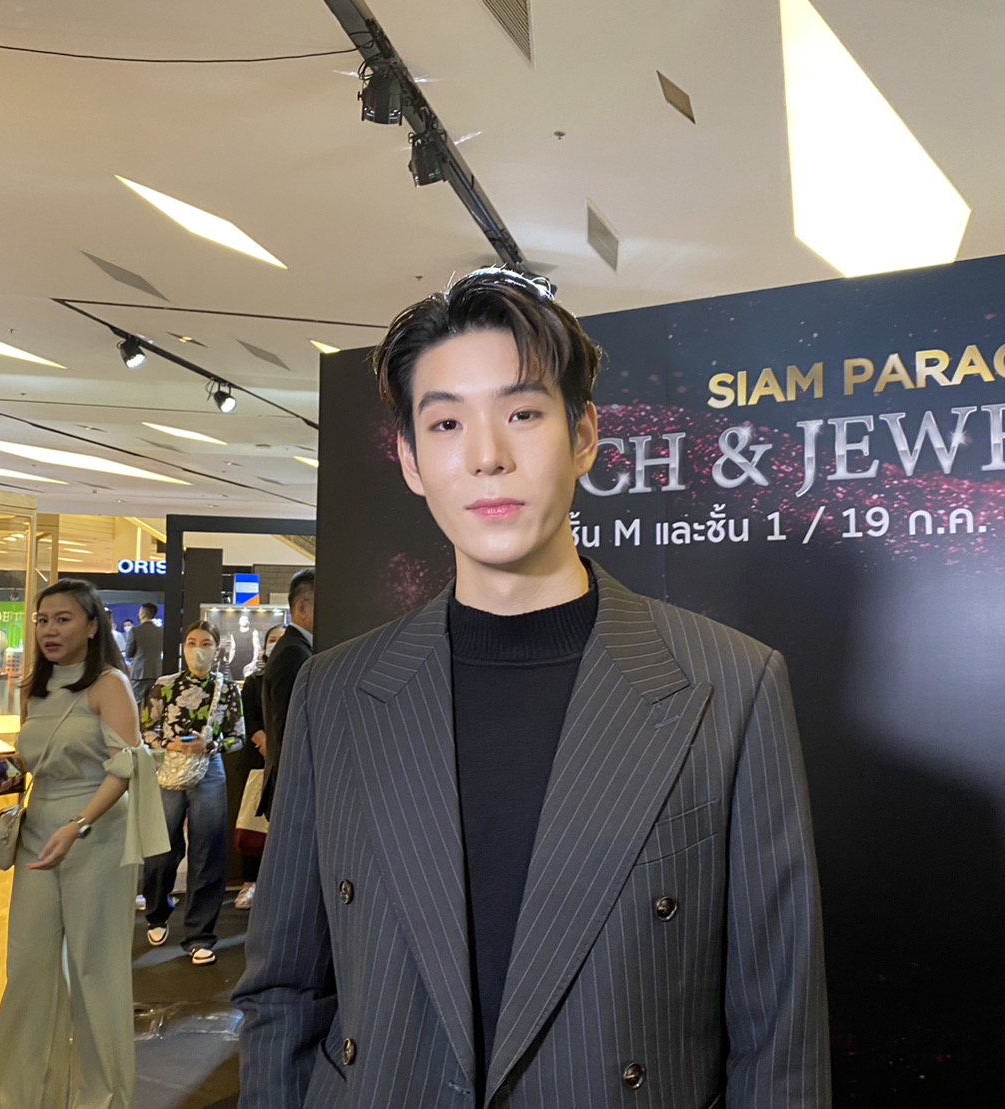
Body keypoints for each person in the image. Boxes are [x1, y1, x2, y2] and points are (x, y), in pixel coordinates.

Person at [233, 269, 829, 1107]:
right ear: (409, 458)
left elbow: (778, 1036)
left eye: (521, 413)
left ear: (583, 435)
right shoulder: (336, 693)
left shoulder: (729, 684)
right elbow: (284, 991)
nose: (487, 455)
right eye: (446, 422)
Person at [0, 579, 166, 1109]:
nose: (49, 630)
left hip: (96, 835)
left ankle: (102, 1098)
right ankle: (16, 1098)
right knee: (28, 970)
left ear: (91, 626)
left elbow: (126, 767)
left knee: (94, 971)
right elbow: (35, 759)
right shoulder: (33, 688)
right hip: (39, 831)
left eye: (63, 619)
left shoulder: (109, 684)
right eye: (42, 620)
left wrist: (78, 824)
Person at [141, 619, 245, 964]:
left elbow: (238, 736)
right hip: (169, 769)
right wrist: (168, 744)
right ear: (182, 647)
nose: (197, 650)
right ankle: (157, 911)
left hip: (209, 770)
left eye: (205, 644)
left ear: (216, 649)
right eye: (191, 643)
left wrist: (209, 745)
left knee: (208, 850)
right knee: (161, 848)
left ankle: (200, 933)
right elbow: (147, 729)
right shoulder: (164, 685)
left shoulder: (226, 689)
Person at [254, 569, 315, 824]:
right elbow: (289, 727)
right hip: (293, 787)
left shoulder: (297, 648)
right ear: (302, 608)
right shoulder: (294, 653)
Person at [234, 623, 287, 910]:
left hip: (287, 760)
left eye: (282, 639)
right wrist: (265, 742)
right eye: (272, 639)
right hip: (258, 760)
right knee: (253, 823)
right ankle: (249, 883)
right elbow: (248, 717)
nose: (277, 644)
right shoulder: (254, 680)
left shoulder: (298, 675)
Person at [124, 601, 163, 705]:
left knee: (136, 703)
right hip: (156, 672)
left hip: (139, 674)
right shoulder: (161, 631)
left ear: (143, 614)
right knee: (153, 704)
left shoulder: (135, 631)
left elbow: (128, 654)